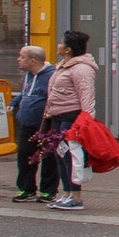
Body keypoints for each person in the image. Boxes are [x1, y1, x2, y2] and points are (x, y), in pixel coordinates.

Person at [43, 30, 98, 212]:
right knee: (59, 154)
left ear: (67, 49)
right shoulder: (64, 66)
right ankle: (66, 194)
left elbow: (86, 95)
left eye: (61, 42)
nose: (58, 45)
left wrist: (86, 121)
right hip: (58, 116)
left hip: (71, 117)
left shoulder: (81, 69)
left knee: (70, 156)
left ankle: (76, 197)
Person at [9, 45, 55, 203]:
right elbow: (25, 93)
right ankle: (27, 189)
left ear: (33, 61)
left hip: (45, 124)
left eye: (22, 57)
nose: (18, 60)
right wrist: (14, 102)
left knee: (48, 157)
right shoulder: (28, 75)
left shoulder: (51, 76)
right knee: (25, 155)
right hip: (27, 123)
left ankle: (48, 191)